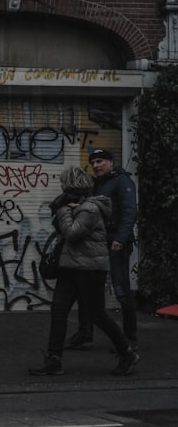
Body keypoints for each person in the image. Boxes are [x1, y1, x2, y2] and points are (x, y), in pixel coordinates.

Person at [30, 166, 139, 376]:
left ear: (71, 185)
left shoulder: (89, 208)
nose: (60, 186)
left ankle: (127, 352)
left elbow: (71, 233)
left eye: (63, 182)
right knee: (58, 311)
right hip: (70, 267)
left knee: (97, 315)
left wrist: (63, 211)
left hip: (90, 269)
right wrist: (66, 211)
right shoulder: (76, 206)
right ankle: (54, 359)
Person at [65, 148, 139, 351]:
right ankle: (85, 335)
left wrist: (120, 239)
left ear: (110, 162)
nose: (96, 166)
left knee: (122, 290)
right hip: (97, 244)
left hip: (115, 243)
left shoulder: (122, 181)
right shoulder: (96, 184)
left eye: (100, 161)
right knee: (86, 290)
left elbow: (130, 211)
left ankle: (129, 338)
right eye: (93, 162)